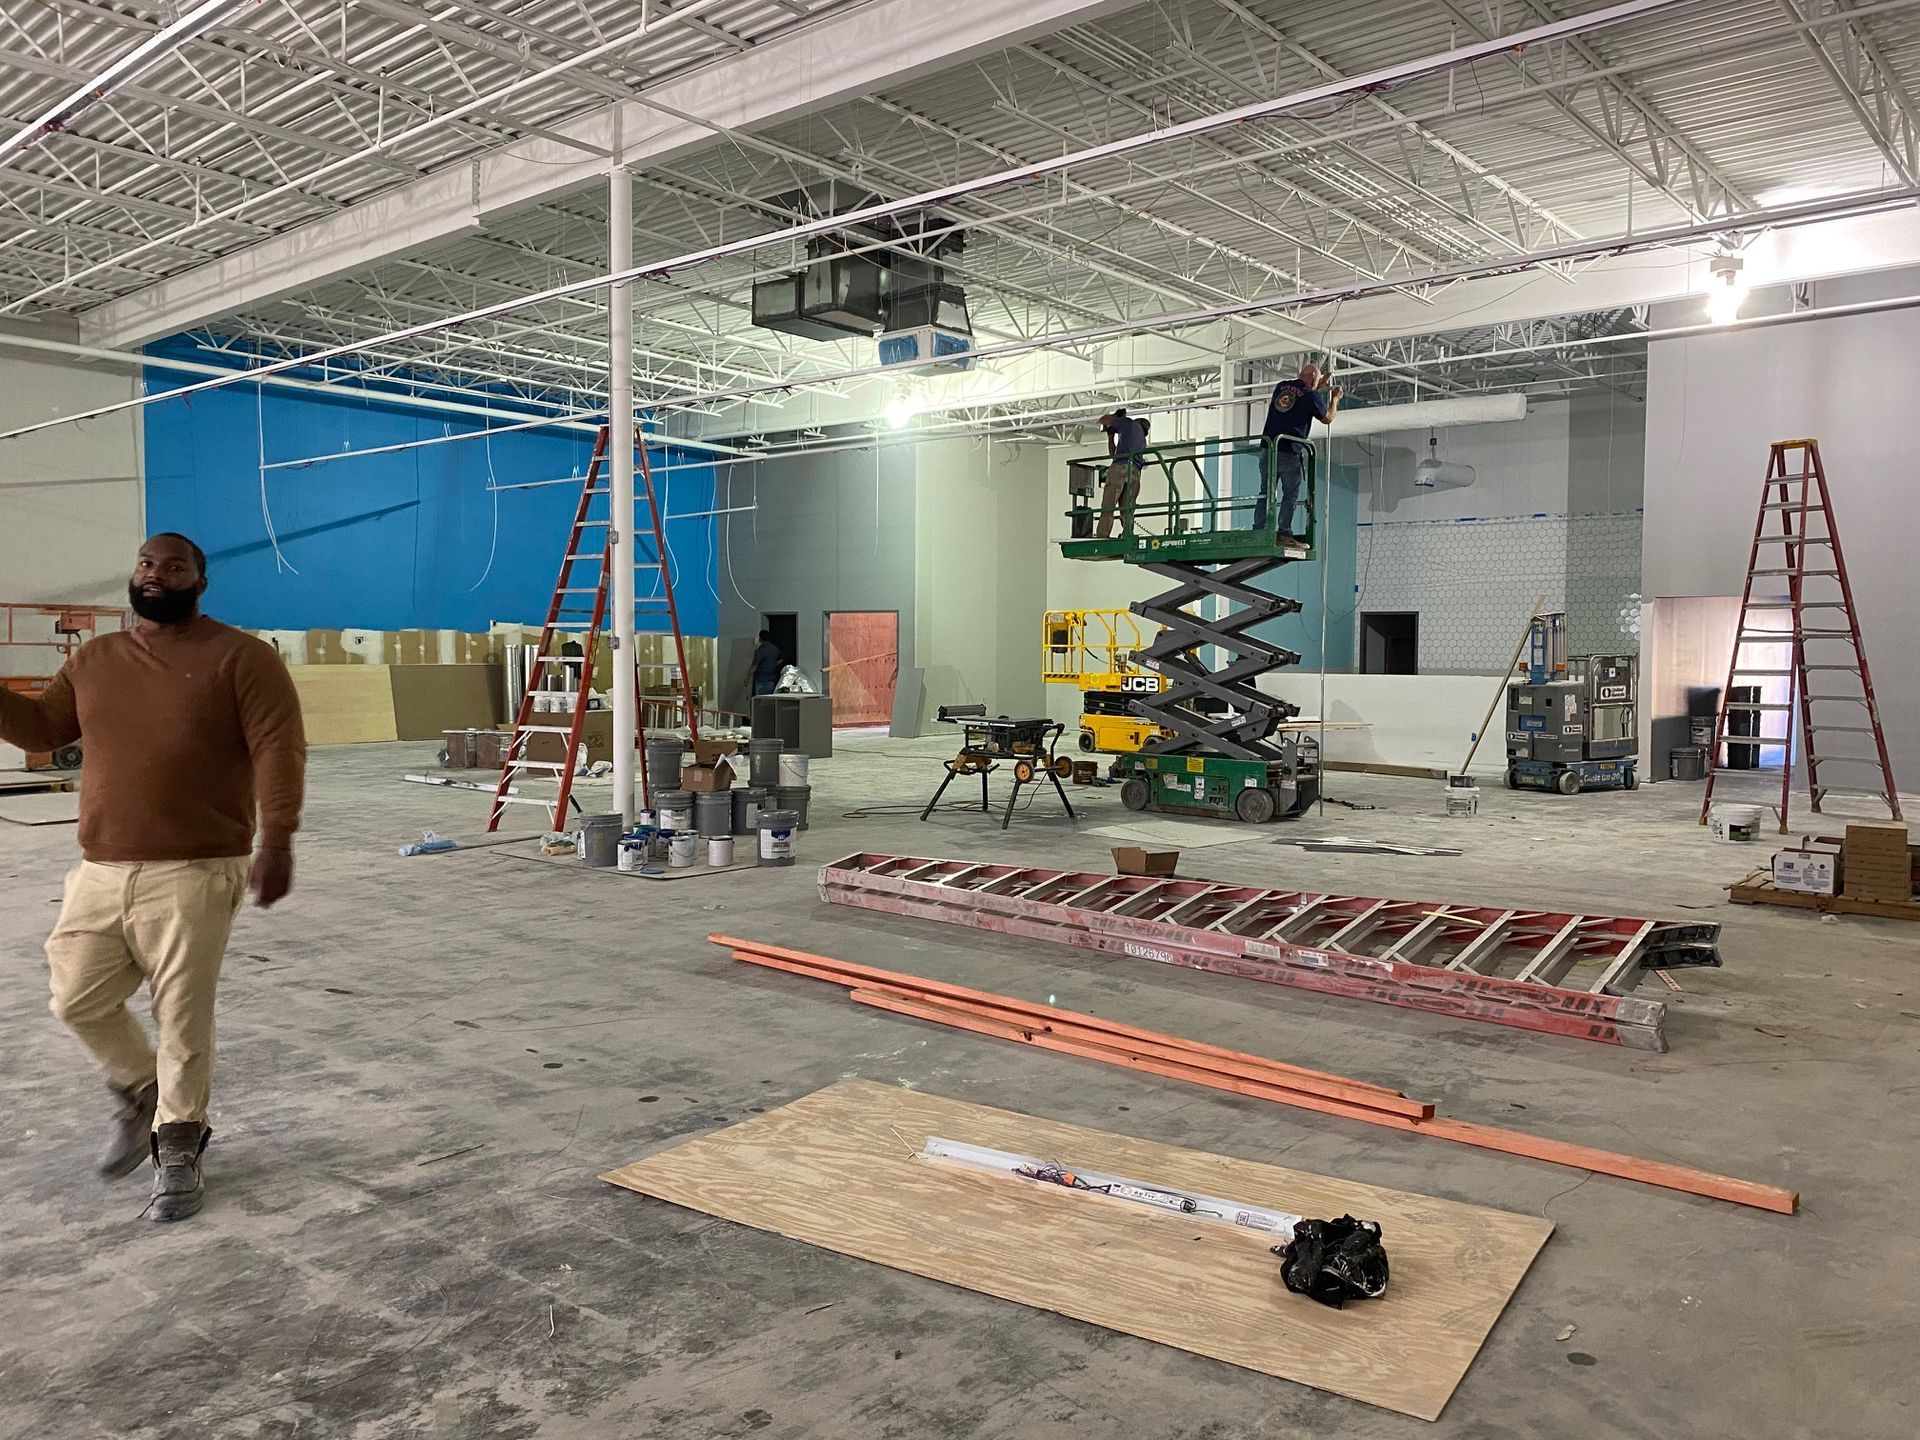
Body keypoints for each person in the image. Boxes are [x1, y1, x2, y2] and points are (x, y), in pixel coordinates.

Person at [0, 533, 306, 1223]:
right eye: (147, 563)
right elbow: (42, 730)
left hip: (197, 865)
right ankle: (144, 1090)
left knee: (182, 1015)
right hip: (101, 866)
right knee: (76, 998)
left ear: (200, 581)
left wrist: (278, 838)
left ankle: (180, 1141)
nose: (156, 574)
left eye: (174, 566)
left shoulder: (242, 658)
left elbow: (278, 749)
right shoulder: (96, 658)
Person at [1257, 363, 1342, 540]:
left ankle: (1259, 529)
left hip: (1268, 448)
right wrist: (1335, 399)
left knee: (1266, 491)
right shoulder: (1310, 395)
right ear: (1314, 378)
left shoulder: (1281, 387)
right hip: (1289, 451)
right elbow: (1327, 418)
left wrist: (1319, 384)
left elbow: (1299, 396)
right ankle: (1283, 531)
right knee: (1290, 493)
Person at [1095, 407, 1151, 539]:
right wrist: (1111, 434)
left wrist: (1116, 417)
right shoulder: (1142, 440)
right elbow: (1113, 453)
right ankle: (1127, 534)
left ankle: (1102, 536)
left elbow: (1102, 419)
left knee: (1108, 505)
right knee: (1127, 509)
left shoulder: (1129, 423)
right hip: (1135, 473)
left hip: (1120, 468)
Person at [745, 629, 784, 697]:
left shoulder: (760, 651)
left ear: (760, 639)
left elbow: (754, 666)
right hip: (772, 679)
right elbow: (781, 659)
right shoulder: (775, 649)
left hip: (761, 680)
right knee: (769, 699)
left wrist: (747, 678)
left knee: (760, 700)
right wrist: (774, 664)